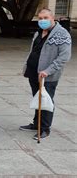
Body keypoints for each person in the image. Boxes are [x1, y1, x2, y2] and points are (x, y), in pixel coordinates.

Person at [20, 8, 72, 140]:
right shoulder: (38, 32)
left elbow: (64, 56)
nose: (42, 20)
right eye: (40, 18)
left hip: (47, 75)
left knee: (46, 101)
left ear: (52, 18)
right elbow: (34, 50)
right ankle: (36, 123)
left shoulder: (62, 34)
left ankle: (44, 129)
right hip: (33, 72)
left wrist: (47, 70)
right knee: (37, 99)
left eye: (45, 18)